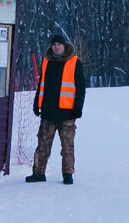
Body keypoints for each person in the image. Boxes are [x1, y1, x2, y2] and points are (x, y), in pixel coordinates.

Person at [27, 34, 87, 184]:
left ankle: (68, 174)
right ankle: (38, 173)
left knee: (67, 147)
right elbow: (41, 84)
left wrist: (78, 108)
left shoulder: (75, 63)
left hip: (67, 113)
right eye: (54, 44)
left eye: (59, 44)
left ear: (64, 45)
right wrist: (36, 103)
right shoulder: (46, 62)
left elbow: (81, 87)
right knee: (43, 145)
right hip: (48, 112)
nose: (56, 46)